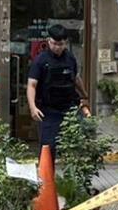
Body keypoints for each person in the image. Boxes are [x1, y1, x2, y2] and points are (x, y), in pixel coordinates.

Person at [26, 23, 90, 155]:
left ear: (65, 43)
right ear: (49, 41)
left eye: (60, 44)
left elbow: (76, 78)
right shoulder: (41, 60)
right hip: (48, 110)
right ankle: (46, 176)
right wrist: (32, 107)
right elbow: (31, 85)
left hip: (69, 108)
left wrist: (84, 96)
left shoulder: (70, 58)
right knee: (48, 147)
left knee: (76, 145)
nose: (57, 47)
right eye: (54, 43)